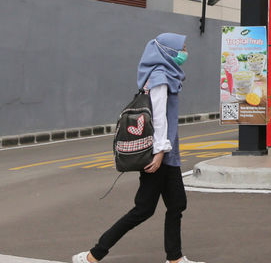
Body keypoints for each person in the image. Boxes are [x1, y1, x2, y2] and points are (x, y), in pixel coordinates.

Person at [73, 33, 203, 263]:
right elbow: (159, 117)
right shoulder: (161, 76)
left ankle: (175, 258)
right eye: (181, 48)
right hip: (159, 154)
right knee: (143, 209)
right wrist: (161, 151)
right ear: (168, 51)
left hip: (166, 153)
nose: (184, 52)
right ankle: (94, 255)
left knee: (176, 204)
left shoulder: (161, 74)